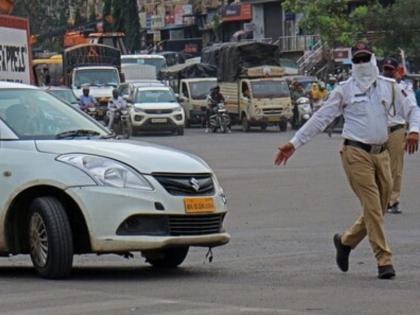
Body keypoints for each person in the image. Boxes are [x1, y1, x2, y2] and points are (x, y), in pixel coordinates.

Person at [274, 42, 420, 280]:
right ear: (353, 64)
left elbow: (412, 108)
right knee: (373, 206)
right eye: (358, 60)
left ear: (374, 60)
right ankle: (384, 260)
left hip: (381, 152)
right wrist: (295, 143)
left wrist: (414, 130)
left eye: (366, 59)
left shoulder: (391, 87)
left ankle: (345, 242)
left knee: (380, 208)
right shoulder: (344, 90)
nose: (362, 64)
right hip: (355, 152)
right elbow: (321, 118)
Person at [382, 57, 410, 214]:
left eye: (390, 70)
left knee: (395, 168)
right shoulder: (375, 87)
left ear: (396, 71)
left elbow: (412, 109)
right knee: (379, 167)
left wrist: (414, 131)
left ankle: (393, 201)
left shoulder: (403, 88)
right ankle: (382, 198)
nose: (387, 72)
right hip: (379, 131)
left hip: (397, 130)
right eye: (385, 69)